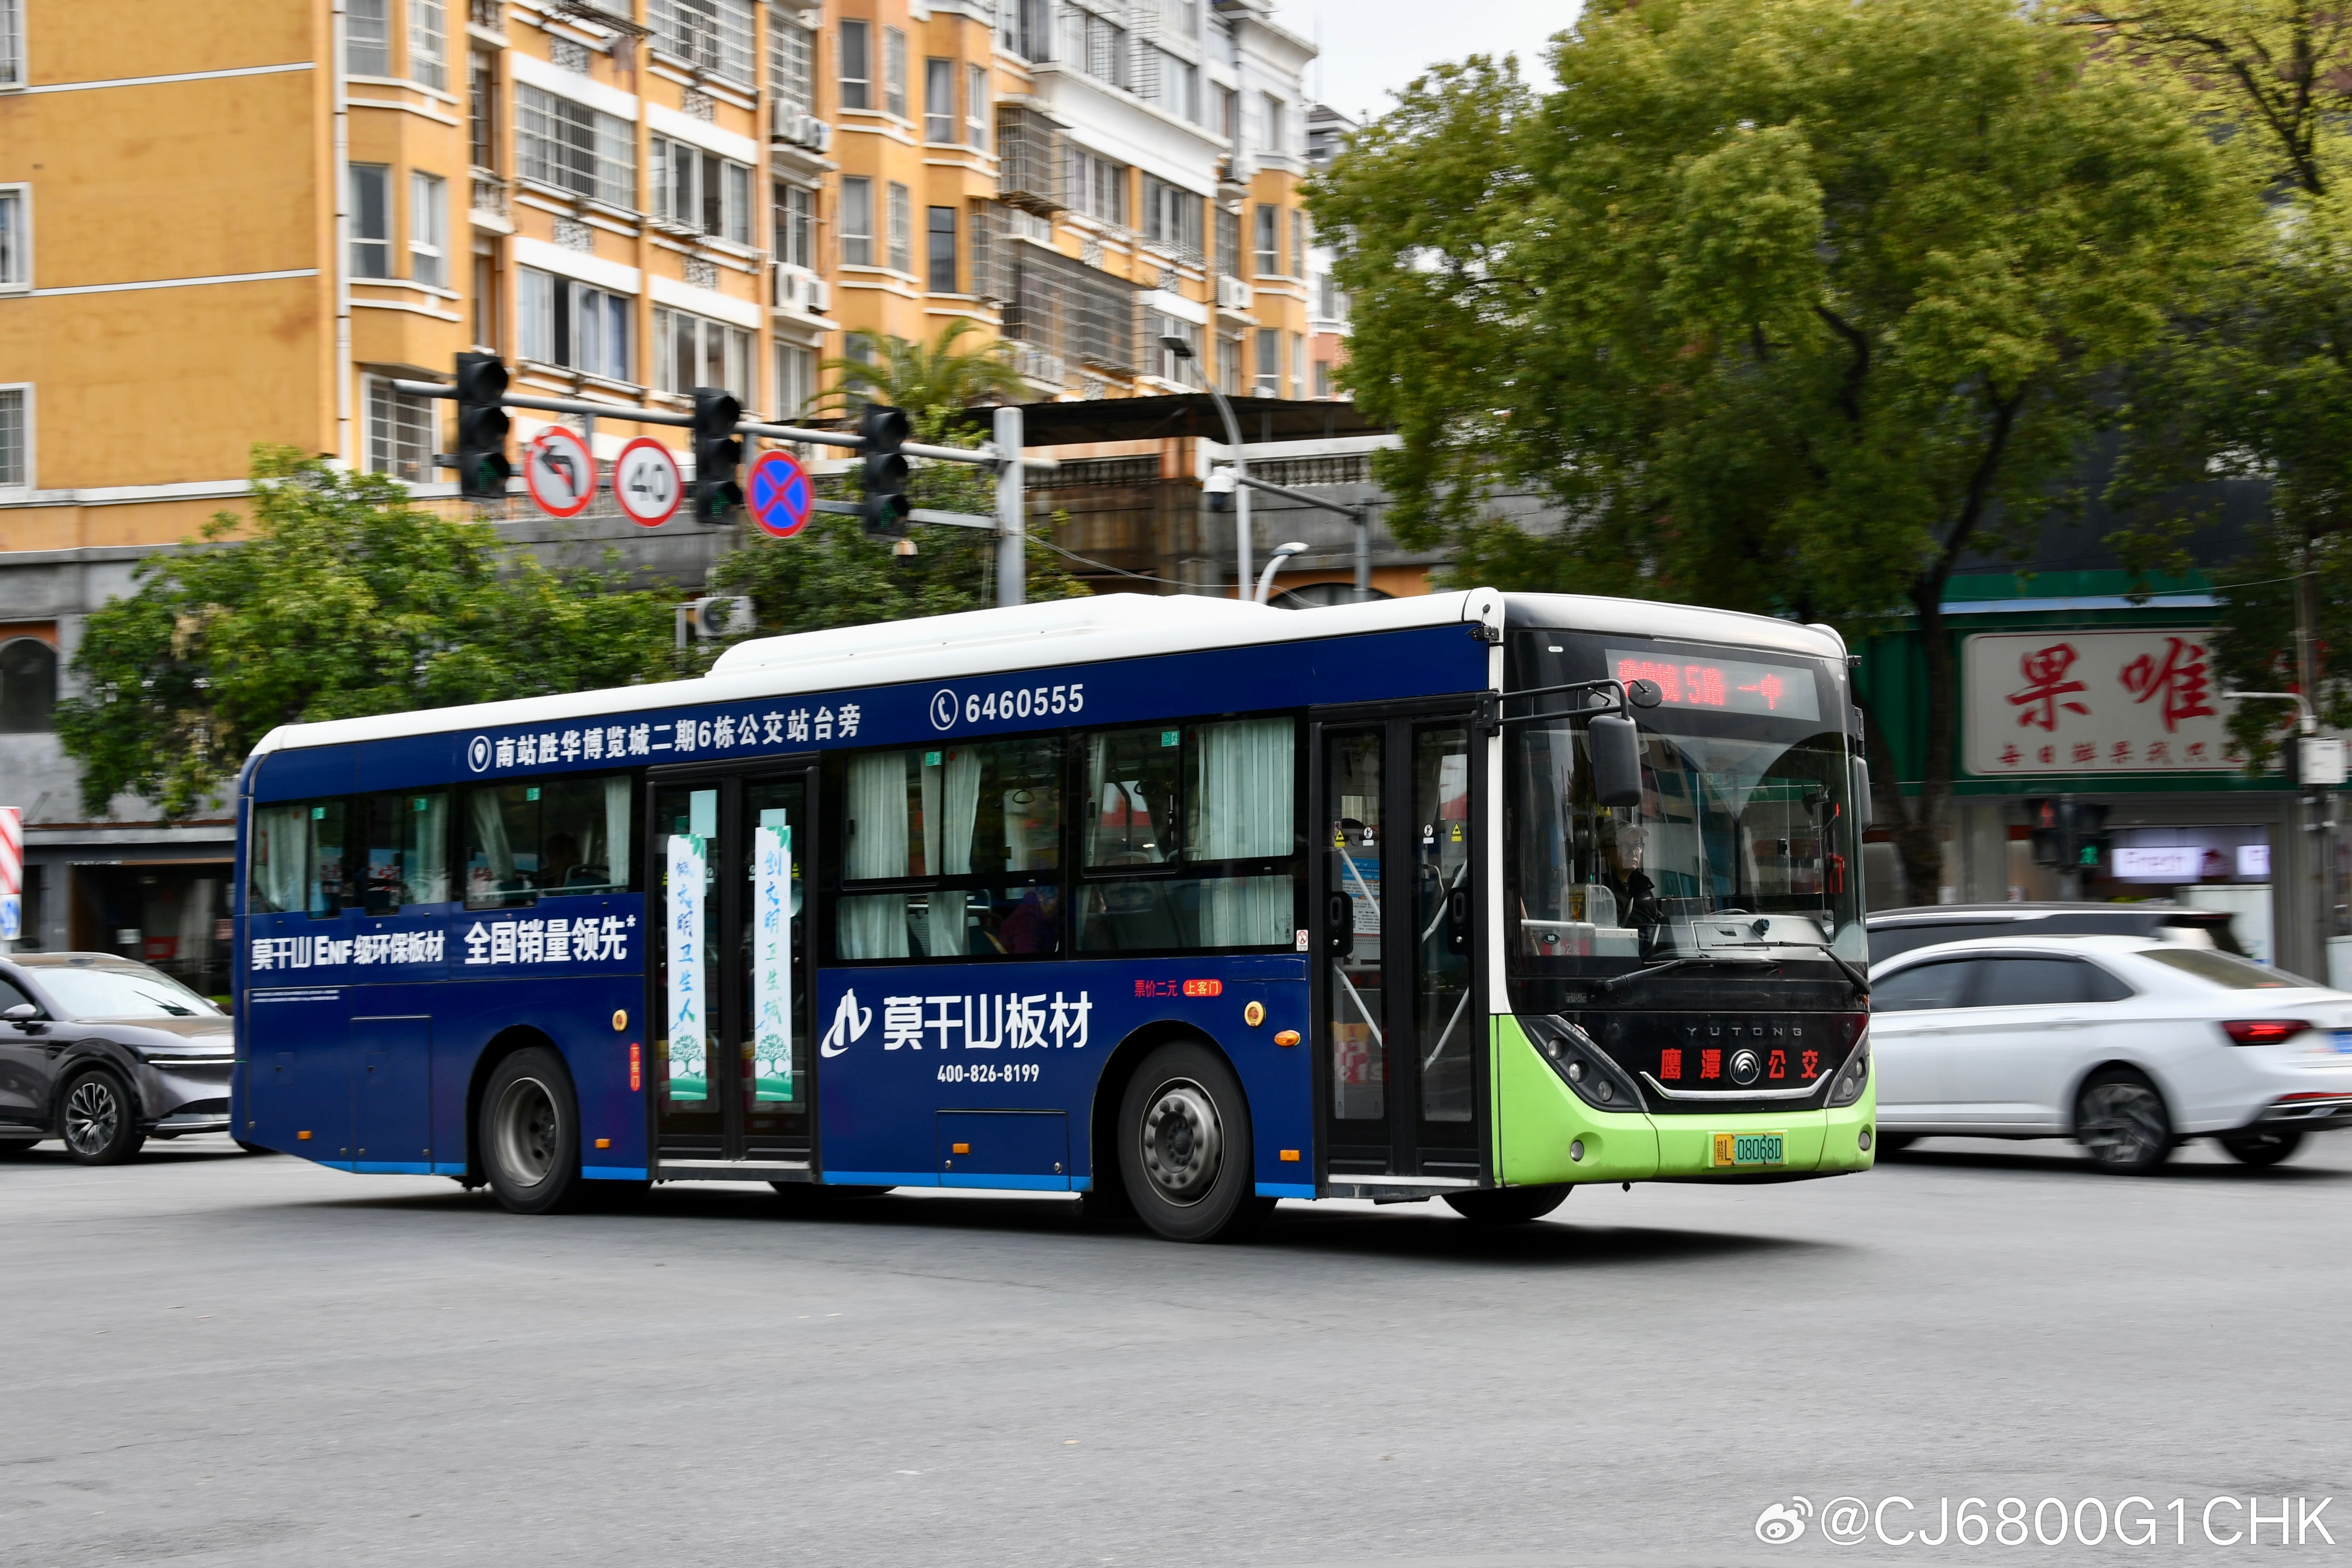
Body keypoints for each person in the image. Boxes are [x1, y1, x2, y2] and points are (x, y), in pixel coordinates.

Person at [999, 883, 1061, 954]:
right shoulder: (1026, 920)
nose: (1060, 907)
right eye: (1057, 902)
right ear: (1041, 895)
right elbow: (1028, 958)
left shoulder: (1048, 917)